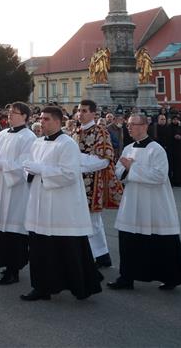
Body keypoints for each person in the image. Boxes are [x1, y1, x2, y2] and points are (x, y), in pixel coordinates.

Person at [21, 106, 102, 301]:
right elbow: (29, 167)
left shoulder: (67, 144)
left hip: (61, 204)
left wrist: (40, 169)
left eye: (47, 119)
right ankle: (41, 287)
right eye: (41, 118)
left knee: (67, 246)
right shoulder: (37, 143)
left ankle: (81, 287)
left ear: (58, 121)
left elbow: (69, 174)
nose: (42, 122)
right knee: (40, 246)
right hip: (40, 201)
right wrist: (30, 171)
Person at [108, 113, 181, 291]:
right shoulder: (128, 148)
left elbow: (160, 176)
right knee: (129, 239)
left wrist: (132, 168)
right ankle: (126, 277)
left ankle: (171, 278)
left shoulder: (156, 149)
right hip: (132, 200)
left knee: (160, 241)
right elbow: (118, 170)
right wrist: (125, 170)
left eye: (133, 124)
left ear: (145, 126)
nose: (129, 128)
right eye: (128, 125)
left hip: (154, 202)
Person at [0, 102, 37, 286]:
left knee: (13, 230)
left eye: (15, 113)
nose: (10, 115)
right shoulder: (2, 134)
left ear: (26, 117)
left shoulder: (29, 137)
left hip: (15, 190)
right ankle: (4, 264)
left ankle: (14, 270)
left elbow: (24, 165)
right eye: (10, 112)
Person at [73, 99, 122, 269]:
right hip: (76, 180)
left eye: (85, 110)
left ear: (94, 113)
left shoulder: (100, 131)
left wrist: (78, 164)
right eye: (79, 110)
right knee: (88, 220)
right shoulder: (76, 131)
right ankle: (102, 255)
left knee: (92, 220)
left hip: (93, 181)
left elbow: (105, 159)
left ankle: (94, 256)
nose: (80, 114)